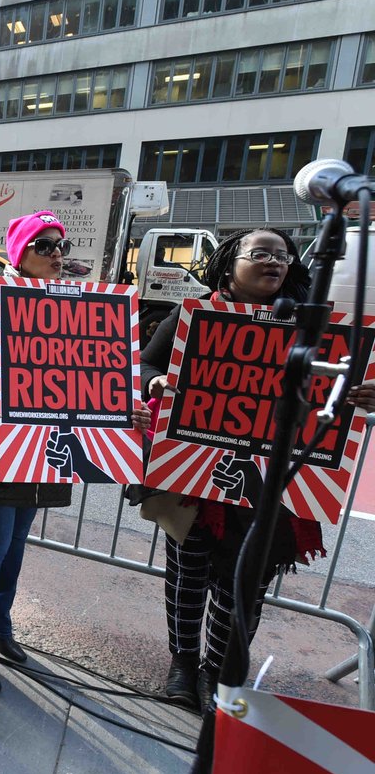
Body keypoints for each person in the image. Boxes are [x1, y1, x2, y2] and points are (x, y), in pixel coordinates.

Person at [141, 227, 375, 712]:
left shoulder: (317, 327)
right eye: (261, 253)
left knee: (245, 585)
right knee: (187, 574)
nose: (274, 262)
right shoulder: (191, 316)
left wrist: (363, 395)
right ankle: (182, 664)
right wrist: (156, 381)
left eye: (283, 256)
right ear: (229, 264)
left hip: (273, 487)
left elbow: (343, 389)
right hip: (194, 478)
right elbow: (141, 366)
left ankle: (218, 672)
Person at [0, 211, 150, 694]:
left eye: (61, 244)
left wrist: (125, 407)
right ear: (20, 253)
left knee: (16, 542)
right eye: (44, 245)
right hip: (1, 446)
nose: (57, 253)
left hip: (45, 451)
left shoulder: (71, 304)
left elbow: (94, 372)